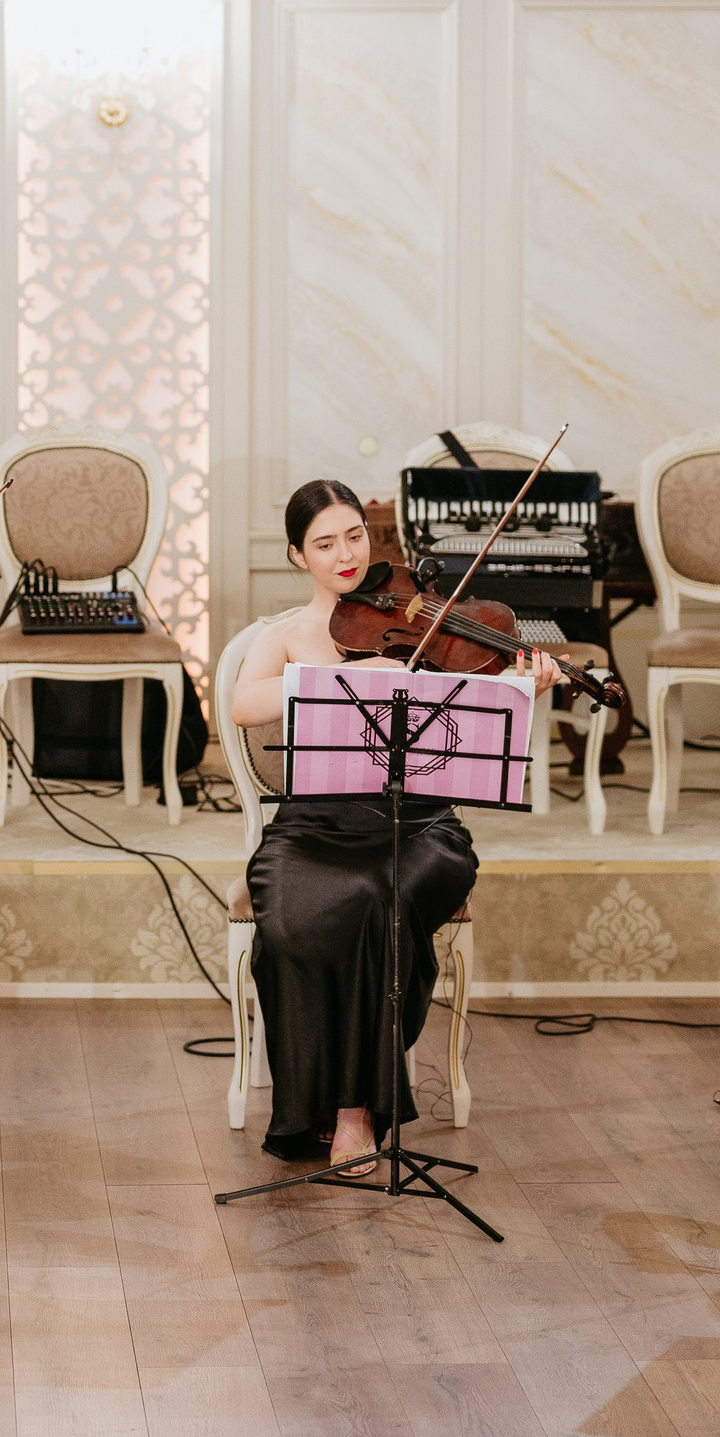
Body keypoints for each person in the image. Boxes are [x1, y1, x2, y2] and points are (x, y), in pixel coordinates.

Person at [229, 480, 561, 1172]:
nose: (345, 553)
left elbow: (475, 714)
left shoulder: (428, 626)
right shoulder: (284, 635)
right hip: (313, 825)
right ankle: (311, 1103)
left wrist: (520, 688)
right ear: (298, 555)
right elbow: (242, 705)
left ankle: (356, 1111)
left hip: (420, 825)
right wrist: (352, 680)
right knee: (289, 917)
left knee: (378, 899)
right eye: (324, 543)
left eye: (355, 534)